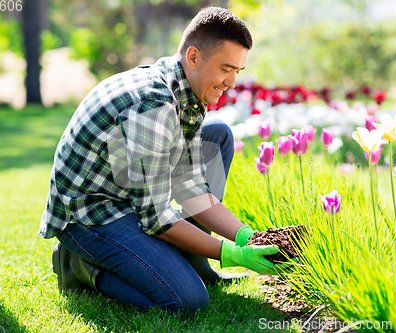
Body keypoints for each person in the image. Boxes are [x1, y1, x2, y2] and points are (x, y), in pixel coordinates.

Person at [39, 6, 291, 314]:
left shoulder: (187, 90)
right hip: (92, 214)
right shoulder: (153, 105)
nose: (231, 83)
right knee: (186, 301)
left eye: (237, 71)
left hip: (128, 193)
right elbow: (156, 218)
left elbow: (192, 188)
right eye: (226, 69)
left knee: (217, 135)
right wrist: (230, 253)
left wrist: (246, 237)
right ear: (194, 57)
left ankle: (194, 264)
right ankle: (79, 266)